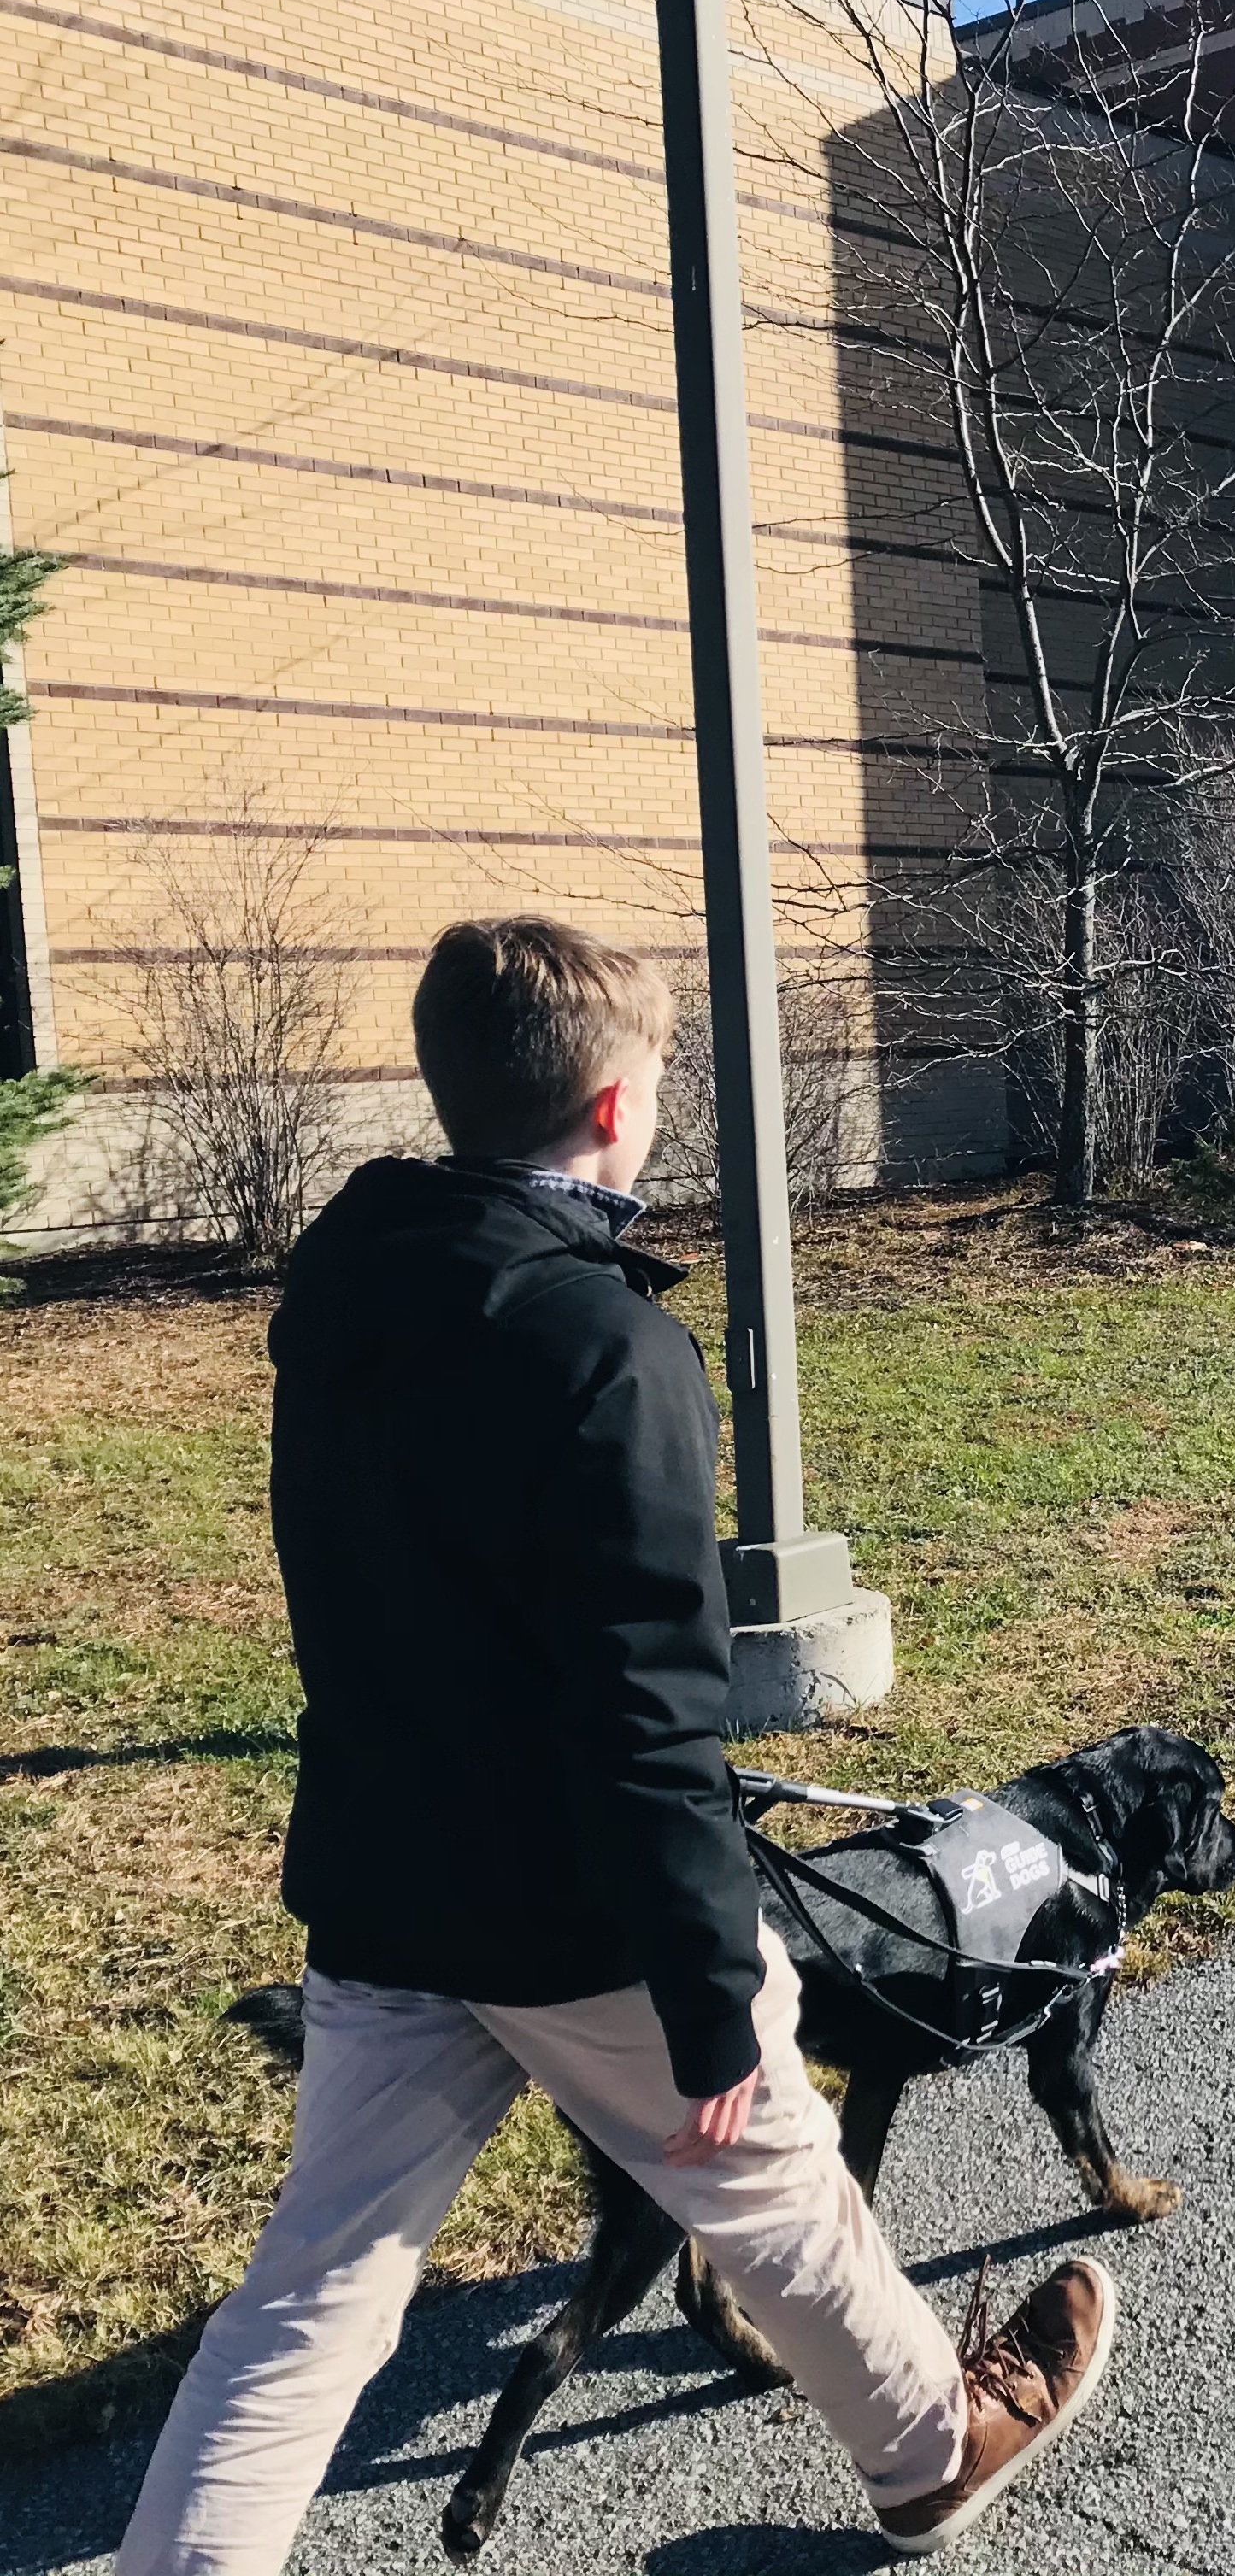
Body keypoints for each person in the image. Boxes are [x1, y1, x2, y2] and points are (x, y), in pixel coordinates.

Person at [115, 915, 1115, 2573]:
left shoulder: (348, 1303)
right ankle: (935, 2450)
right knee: (778, 2185)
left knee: (307, 2301)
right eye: (652, 1078)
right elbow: (651, 1713)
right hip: (583, 1920)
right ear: (610, 1108)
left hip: (384, 1888)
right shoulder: (610, 1352)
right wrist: (715, 2004)